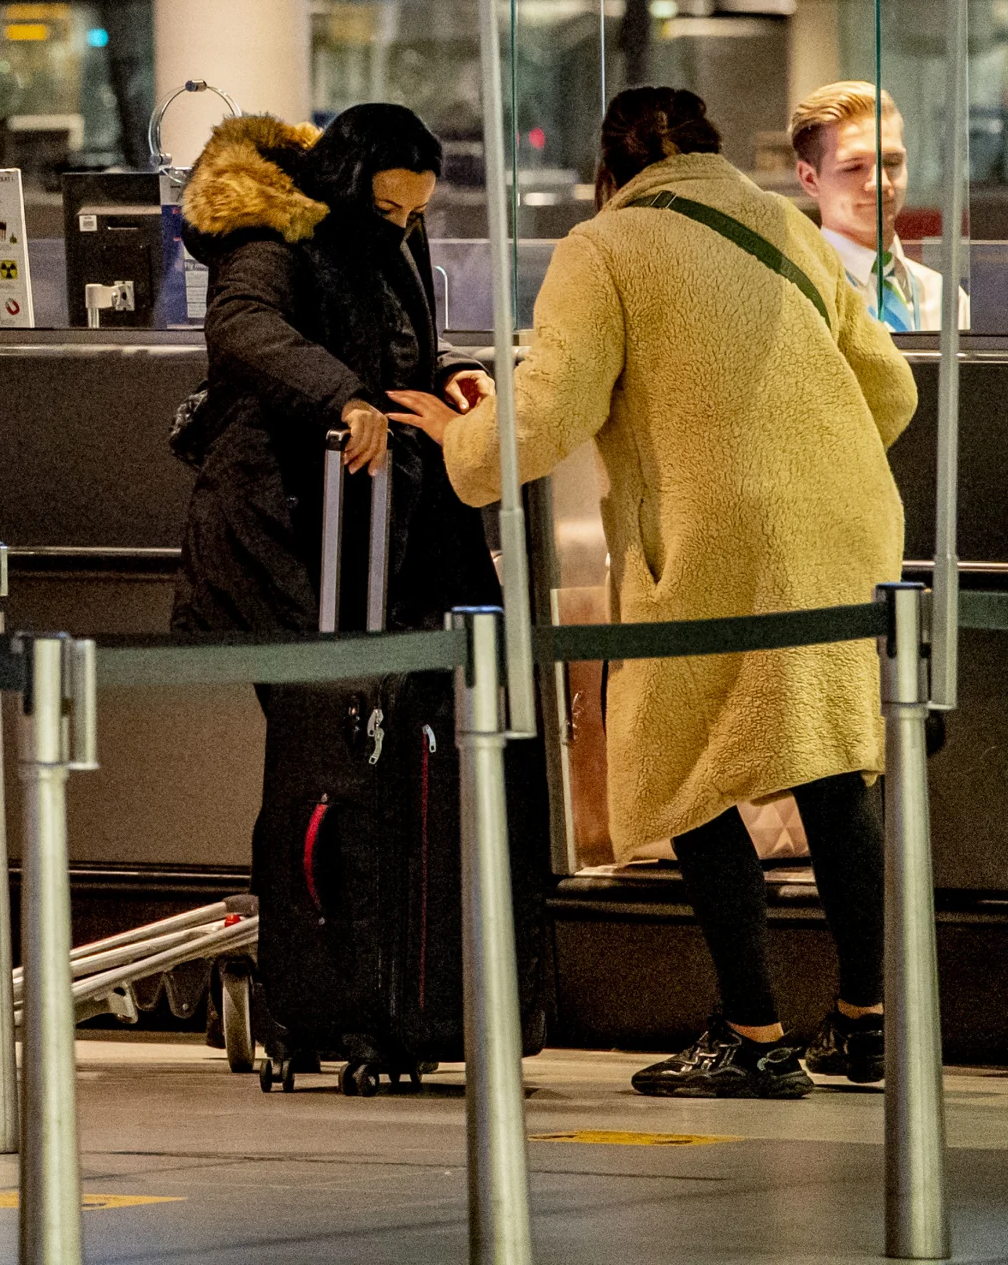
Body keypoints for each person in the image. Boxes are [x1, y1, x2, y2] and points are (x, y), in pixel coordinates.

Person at [395, 85, 916, 1100]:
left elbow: (547, 417)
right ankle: (867, 1022)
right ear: (712, 146)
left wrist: (461, 433)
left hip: (722, 543)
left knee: (684, 765)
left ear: (609, 165)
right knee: (829, 761)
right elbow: (890, 387)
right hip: (851, 530)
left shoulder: (607, 243)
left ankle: (755, 1032)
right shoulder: (781, 222)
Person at [170, 103, 499, 637]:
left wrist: (448, 367)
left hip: (380, 509)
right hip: (291, 513)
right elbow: (243, 322)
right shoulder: (272, 230)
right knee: (321, 705)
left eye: (414, 214)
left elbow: (386, 330)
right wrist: (344, 397)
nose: (399, 226)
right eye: (386, 208)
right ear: (348, 185)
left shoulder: (381, 222)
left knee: (387, 698)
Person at [790, 80, 962, 333]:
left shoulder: (946, 297)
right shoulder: (795, 298)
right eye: (854, 167)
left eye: (892, 162)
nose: (880, 183)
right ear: (809, 179)